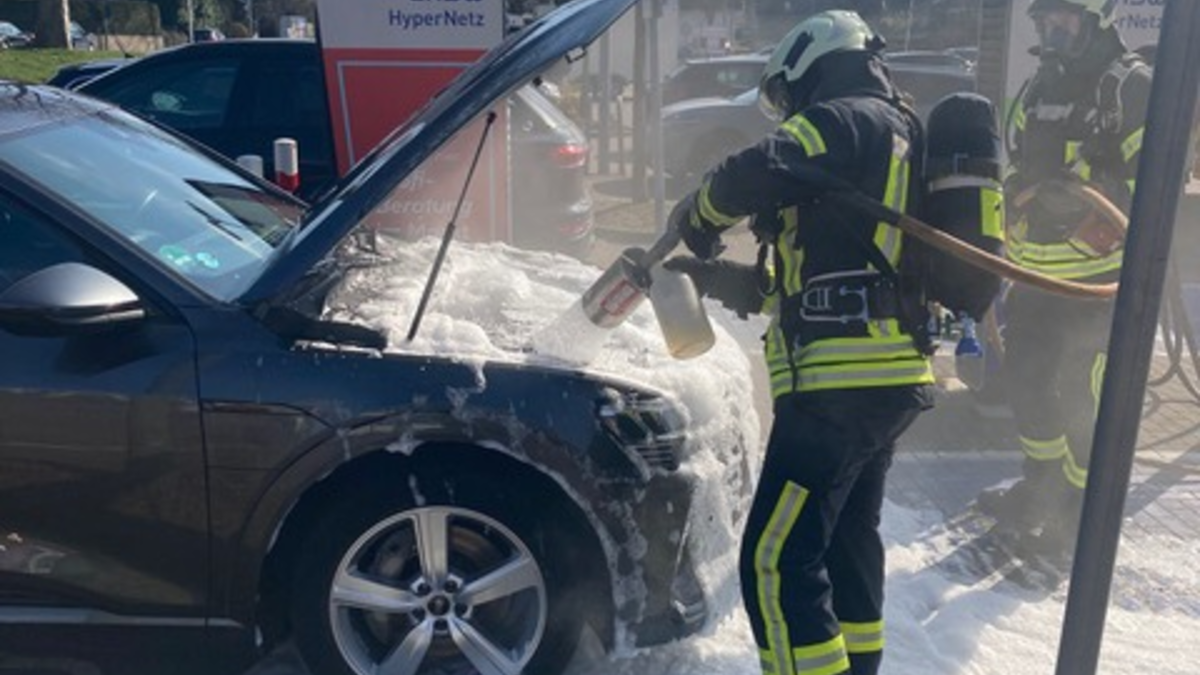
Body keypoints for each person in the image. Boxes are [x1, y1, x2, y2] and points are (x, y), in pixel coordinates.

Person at [663, 11, 934, 675]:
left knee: (773, 559)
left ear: (813, 64)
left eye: (786, 95)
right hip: (880, 375)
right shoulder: (884, 135)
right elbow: (796, 289)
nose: (787, 111)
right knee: (844, 543)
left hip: (838, 385)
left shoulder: (845, 117)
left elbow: (755, 168)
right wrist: (709, 275)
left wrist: (699, 212)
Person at [973, 0, 1152, 558]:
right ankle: (1041, 488)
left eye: (1064, 20)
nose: (1051, 31)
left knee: (1083, 396)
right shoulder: (1038, 87)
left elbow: (1151, 185)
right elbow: (1018, 161)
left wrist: (1084, 194)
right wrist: (1017, 193)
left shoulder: (1129, 87)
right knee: (1025, 380)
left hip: (1099, 285)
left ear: (1097, 20)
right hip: (1036, 275)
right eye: (1044, 21)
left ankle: (1077, 512)